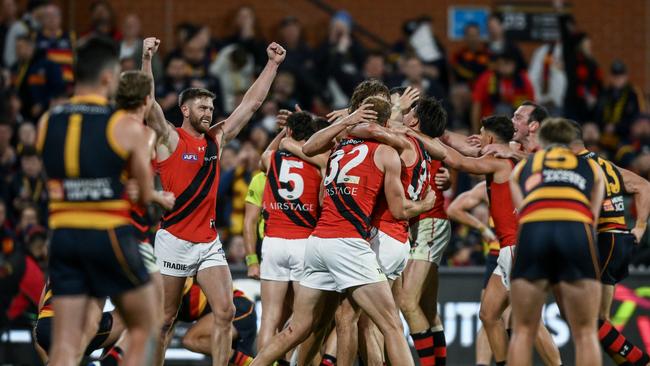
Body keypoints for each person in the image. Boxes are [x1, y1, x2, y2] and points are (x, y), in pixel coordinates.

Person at [253, 96, 435, 366]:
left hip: (317, 243)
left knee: (297, 328)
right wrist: (427, 203)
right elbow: (398, 210)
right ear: (386, 123)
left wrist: (348, 121)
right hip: (348, 243)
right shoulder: (385, 152)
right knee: (391, 326)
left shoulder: (337, 149)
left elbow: (312, 150)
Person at [140, 36, 285, 366]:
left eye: (211, 108)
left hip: (207, 241)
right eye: (202, 107)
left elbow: (250, 105)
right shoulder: (169, 138)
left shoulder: (216, 139)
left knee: (226, 310)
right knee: (164, 321)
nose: (209, 112)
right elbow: (148, 104)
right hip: (173, 240)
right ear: (186, 110)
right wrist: (147, 59)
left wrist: (272, 65)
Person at [37, 37, 157, 366]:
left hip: (62, 237)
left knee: (64, 343)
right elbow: (145, 197)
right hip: (108, 236)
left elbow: (52, 181)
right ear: (107, 78)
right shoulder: (123, 126)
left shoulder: (47, 122)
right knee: (145, 324)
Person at [508, 117, 605, 366]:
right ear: (573, 143)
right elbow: (592, 217)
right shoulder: (591, 167)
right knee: (585, 333)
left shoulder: (523, 167)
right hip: (575, 231)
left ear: (541, 142)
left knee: (522, 331)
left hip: (534, 232)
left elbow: (523, 211)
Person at [570, 121, 650, 366]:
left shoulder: (579, 166)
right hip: (619, 237)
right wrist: (639, 227)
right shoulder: (605, 163)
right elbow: (643, 185)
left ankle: (641, 362)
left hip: (604, 240)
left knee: (590, 320)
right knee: (601, 320)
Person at [255, 111, 326, 358]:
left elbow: (262, 156)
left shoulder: (271, 158)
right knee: (302, 318)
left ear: (290, 132)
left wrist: (282, 136)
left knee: (269, 317)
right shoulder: (320, 163)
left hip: (273, 241)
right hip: (303, 243)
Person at [33, 281, 126, 364]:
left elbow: (41, 309)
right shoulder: (100, 265)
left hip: (43, 328)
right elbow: (94, 319)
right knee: (131, 319)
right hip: (70, 330)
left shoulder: (60, 262)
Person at [175, 278, 258, 366]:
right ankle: (253, 362)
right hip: (235, 308)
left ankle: (252, 362)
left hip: (236, 306)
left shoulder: (176, 284)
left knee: (191, 340)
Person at [471, 51, 535, 132]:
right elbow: (476, 105)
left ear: (515, 64)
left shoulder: (523, 80)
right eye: (500, 64)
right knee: (502, 109)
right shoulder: (487, 77)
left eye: (506, 63)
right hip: (489, 122)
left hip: (516, 123)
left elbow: (532, 106)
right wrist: (475, 131)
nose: (502, 67)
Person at [595, 60, 646, 152]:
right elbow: (597, 114)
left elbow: (638, 116)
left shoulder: (633, 93)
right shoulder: (604, 93)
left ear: (626, 77)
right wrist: (605, 126)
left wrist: (616, 127)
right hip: (605, 136)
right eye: (615, 76)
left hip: (626, 136)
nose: (617, 79)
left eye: (620, 76)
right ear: (610, 77)